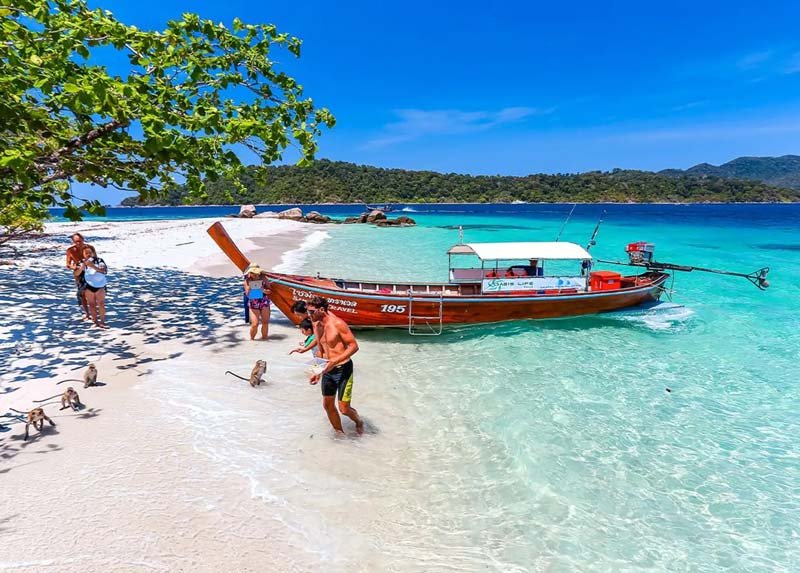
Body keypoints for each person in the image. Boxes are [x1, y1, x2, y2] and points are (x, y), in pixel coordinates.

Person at [306, 296, 364, 435]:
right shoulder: (316, 325)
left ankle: (358, 421)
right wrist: (316, 371)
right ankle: (340, 434)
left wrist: (334, 361)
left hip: (343, 369)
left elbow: (354, 346)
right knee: (327, 405)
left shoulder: (337, 324)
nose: (309, 315)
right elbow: (320, 351)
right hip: (327, 370)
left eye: (312, 312)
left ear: (321, 309)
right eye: (308, 312)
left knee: (344, 409)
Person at [74, 244, 108, 328]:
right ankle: (95, 321)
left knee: (101, 303)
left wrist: (92, 266)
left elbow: (103, 271)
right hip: (88, 285)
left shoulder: (99, 261)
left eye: (90, 252)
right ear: (83, 253)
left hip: (100, 285)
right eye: (86, 253)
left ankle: (102, 322)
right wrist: (82, 267)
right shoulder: (80, 262)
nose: (88, 254)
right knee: (91, 304)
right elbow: (76, 273)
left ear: (93, 252)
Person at [243, 263, 271, 340]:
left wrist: (263, 290)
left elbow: (270, 291)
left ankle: (265, 340)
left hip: (264, 301)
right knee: (255, 324)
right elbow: (248, 295)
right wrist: (250, 288)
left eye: (256, 273)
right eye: (253, 273)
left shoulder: (264, 278)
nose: (256, 274)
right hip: (253, 302)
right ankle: (252, 341)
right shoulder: (247, 281)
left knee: (265, 322)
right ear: (250, 273)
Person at [66, 233, 91, 318]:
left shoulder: (89, 248)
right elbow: (68, 264)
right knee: (82, 293)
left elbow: (95, 259)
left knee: (93, 291)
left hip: (90, 271)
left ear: (83, 239)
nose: (78, 243)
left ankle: (94, 310)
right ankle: (87, 313)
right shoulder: (70, 250)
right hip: (78, 272)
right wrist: (74, 267)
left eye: (80, 241)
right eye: (76, 242)